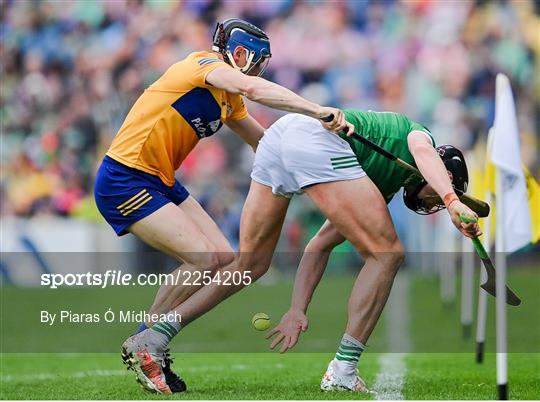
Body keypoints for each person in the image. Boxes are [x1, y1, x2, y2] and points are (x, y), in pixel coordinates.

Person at [122, 109, 482, 393]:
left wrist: (298, 308)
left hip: (280, 137)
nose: (433, 203)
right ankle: (343, 369)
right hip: (313, 139)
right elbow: (424, 151)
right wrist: (452, 201)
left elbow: (319, 245)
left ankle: (154, 335)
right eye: (437, 195)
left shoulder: (378, 184)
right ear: (443, 176)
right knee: (387, 254)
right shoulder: (421, 138)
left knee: (250, 263)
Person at [94, 18, 351, 395]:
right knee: (203, 259)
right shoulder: (201, 66)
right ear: (237, 52)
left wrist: (316, 174)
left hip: (161, 180)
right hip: (125, 177)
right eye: (254, 58)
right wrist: (316, 110)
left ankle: (147, 342)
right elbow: (251, 86)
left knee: (223, 258)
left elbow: (264, 144)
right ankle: (146, 343)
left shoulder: (228, 101)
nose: (257, 67)